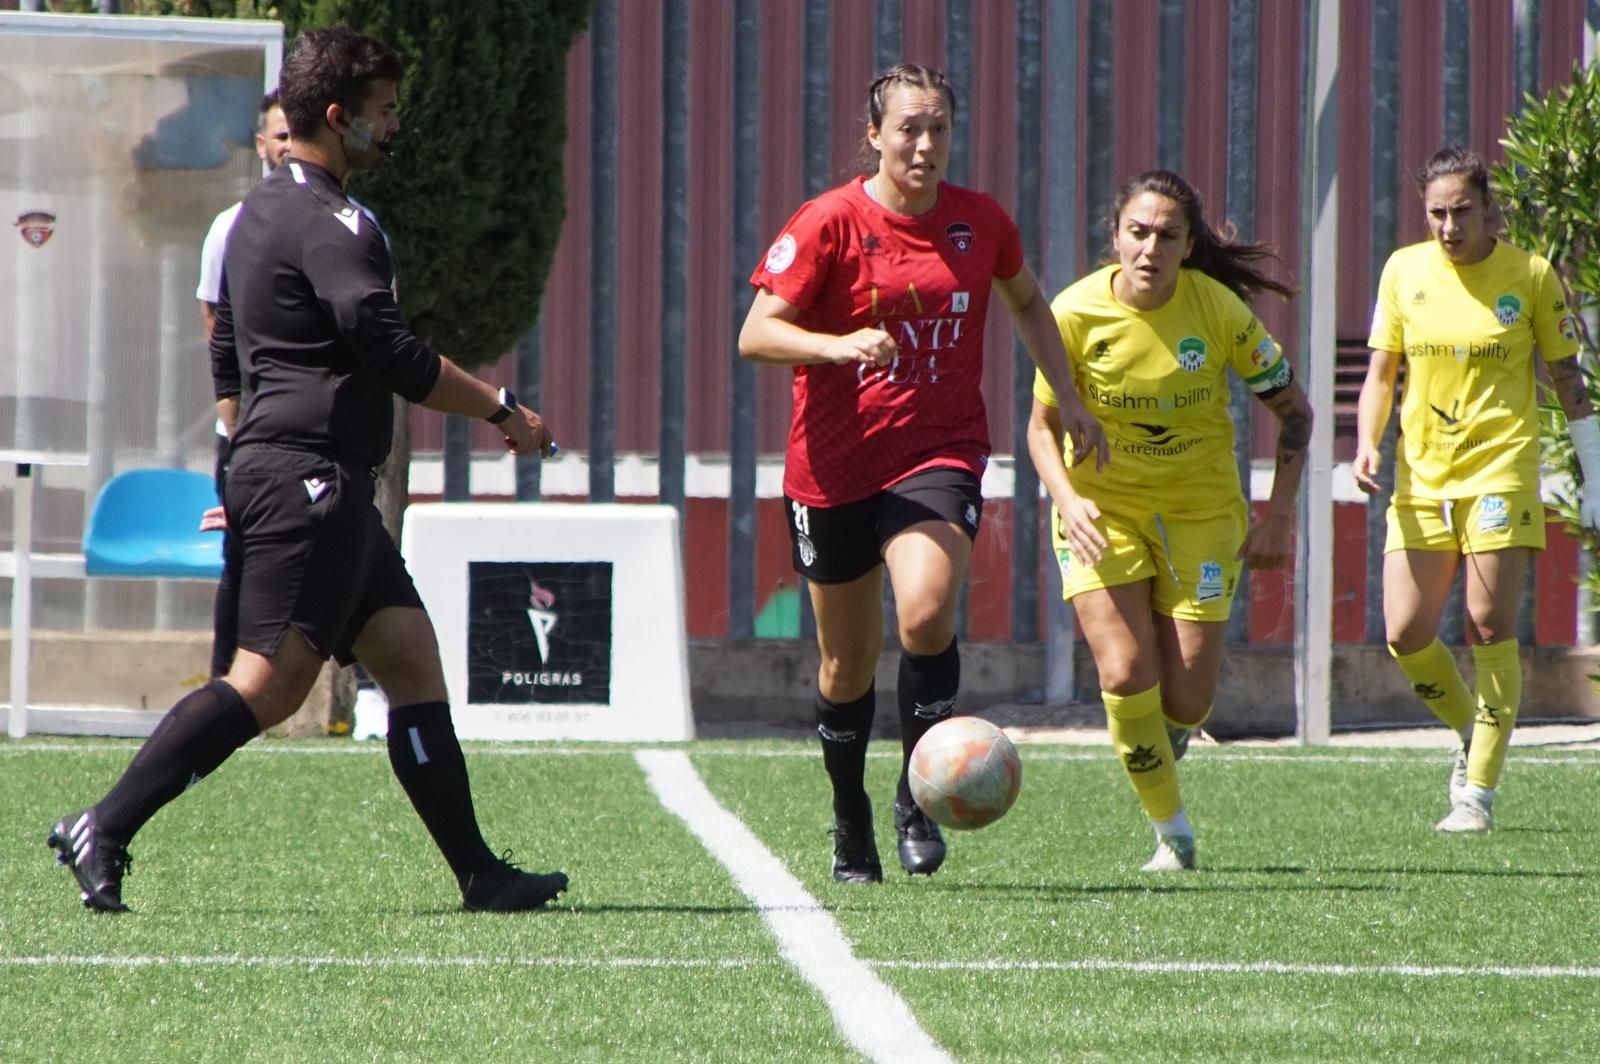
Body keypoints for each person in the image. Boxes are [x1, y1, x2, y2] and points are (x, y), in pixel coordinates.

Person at [48, 27, 567, 913]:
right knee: (268, 684)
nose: (394, 127)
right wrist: (500, 411)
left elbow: (235, 353)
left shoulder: (256, 209)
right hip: (310, 477)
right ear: (338, 117)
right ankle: (105, 822)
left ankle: (478, 872)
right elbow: (393, 353)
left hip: (312, 478)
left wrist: (238, 471)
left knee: (409, 659)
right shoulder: (332, 222)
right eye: (384, 112)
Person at [738, 64, 1107, 884]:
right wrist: (837, 345)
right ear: (875, 134)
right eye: (908, 127)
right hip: (831, 470)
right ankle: (850, 822)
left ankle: (917, 795)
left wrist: (1072, 401)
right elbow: (756, 334)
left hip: (936, 454)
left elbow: (1028, 302)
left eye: (938, 128)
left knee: (928, 611)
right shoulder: (830, 221)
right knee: (845, 665)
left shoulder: (981, 223)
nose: (925, 144)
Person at [1027, 170, 1314, 871]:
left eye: (1168, 235)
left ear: (1188, 247)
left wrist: (1279, 514)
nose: (1151, 248)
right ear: (1114, 237)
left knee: (1186, 697)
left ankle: (1172, 736)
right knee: (1126, 671)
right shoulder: (1073, 314)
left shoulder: (1217, 312)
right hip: (1103, 513)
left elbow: (1296, 414)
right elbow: (1040, 428)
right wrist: (1067, 499)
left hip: (1201, 514)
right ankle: (1172, 831)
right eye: (1138, 232)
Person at [1353, 146, 1600, 833]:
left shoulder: (1531, 274)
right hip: (1423, 476)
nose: (1449, 227)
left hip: (1501, 471)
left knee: (1490, 624)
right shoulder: (1404, 271)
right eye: (1436, 213)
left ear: (1490, 209)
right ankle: (1474, 730)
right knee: (1406, 633)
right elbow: (1382, 373)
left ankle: (1477, 795)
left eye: (1463, 211)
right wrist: (1367, 441)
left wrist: (1595, 479)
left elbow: (1569, 382)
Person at [195, 90, 292, 680]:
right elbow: (214, 322)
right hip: (248, 432)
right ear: (261, 146)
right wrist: (239, 417)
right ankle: (223, 690)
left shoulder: (350, 225)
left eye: (293, 134)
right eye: (277, 135)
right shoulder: (229, 228)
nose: (285, 146)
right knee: (242, 559)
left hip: (314, 436)